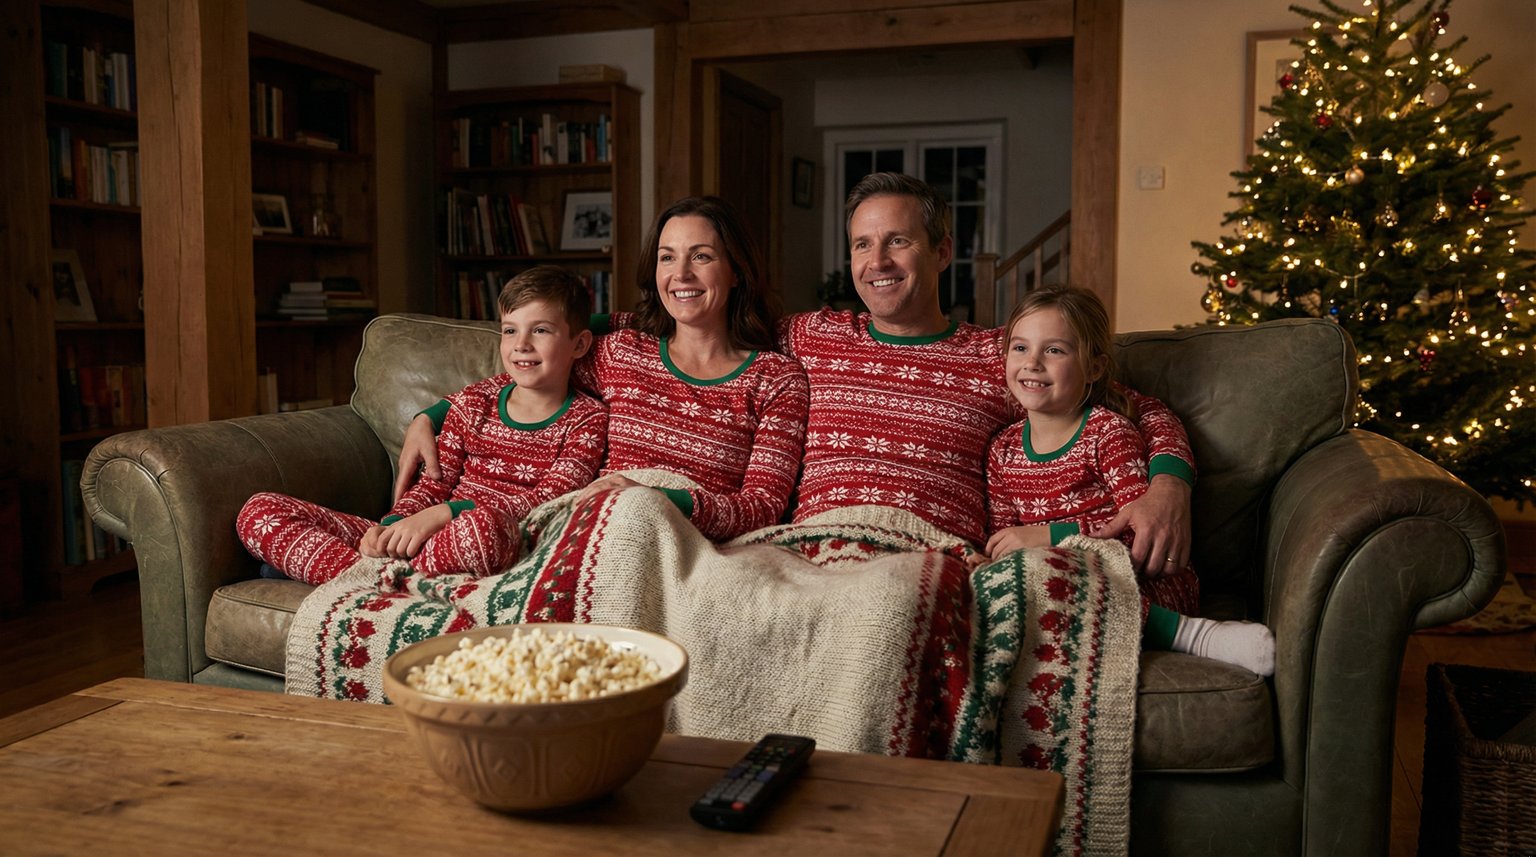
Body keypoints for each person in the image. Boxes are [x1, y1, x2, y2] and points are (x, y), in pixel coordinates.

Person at [776, 172, 1195, 574]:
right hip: (813, 553)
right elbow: (735, 342)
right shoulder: (811, 336)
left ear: (942, 252)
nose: (877, 262)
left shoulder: (1004, 357)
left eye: (898, 241)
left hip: (928, 561)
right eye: (862, 245)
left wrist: (1168, 488)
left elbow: (1144, 410)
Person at [400, 196, 809, 541]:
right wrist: (431, 416)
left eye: (701, 256)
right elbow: (533, 363)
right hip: (602, 532)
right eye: (667, 257)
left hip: (691, 538)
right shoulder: (620, 353)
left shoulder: (776, 379)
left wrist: (656, 498)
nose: (681, 274)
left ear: (736, 271)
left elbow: (762, 507)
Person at [237, 266, 608, 585]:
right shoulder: (473, 403)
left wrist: (448, 514)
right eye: (510, 331)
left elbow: (549, 501)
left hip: (491, 542)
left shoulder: (587, 418)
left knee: (482, 530)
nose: (521, 345)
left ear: (579, 344)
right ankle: (375, 577)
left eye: (540, 330)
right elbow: (433, 483)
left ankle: (357, 577)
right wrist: (392, 526)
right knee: (259, 510)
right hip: (418, 540)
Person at [975, 285, 1274, 675]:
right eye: (1020, 348)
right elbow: (1006, 535)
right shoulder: (1002, 450)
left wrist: (1050, 536)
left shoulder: (1107, 433)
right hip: (1049, 576)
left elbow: (1139, 530)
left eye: (1055, 350)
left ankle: (1195, 636)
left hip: (1137, 578)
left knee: (1050, 574)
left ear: (1094, 369)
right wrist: (989, 558)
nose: (1032, 363)